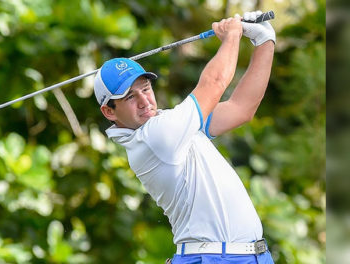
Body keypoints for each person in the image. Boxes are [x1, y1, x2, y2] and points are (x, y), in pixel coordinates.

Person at [93, 10, 275, 264]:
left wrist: (265, 42)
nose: (145, 101)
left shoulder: (173, 123)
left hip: (252, 256)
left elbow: (241, 109)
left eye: (145, 89)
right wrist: (231, 35)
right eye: (130, 97)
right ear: (109, 111)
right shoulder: (152, 137)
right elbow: (214, 83)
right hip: (213, 258)